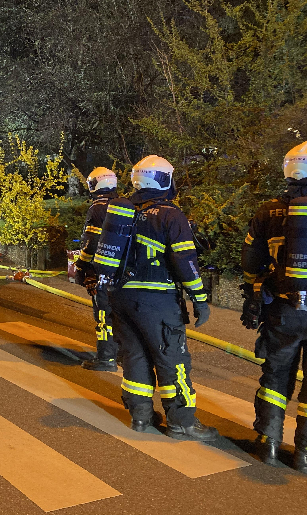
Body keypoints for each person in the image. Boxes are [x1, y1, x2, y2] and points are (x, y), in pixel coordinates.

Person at [95, 155, 218, 441]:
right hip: (157, 301)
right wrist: (199, 299)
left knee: (134, 355)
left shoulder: (123, 211)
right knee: (172, 359)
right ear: (165, 180)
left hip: (121, 298)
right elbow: (185, 262)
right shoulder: (170, 215)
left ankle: (140, 416)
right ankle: (182, 422)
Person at [240, 140, 307, 470]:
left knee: (276, 374)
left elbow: (250, 261)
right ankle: (306, 452)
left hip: (282, 309)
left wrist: (254, 292)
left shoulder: (267, 211)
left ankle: (269, 443)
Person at [74, 167, 121, 371]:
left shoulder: (97, 208)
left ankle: (106, 358)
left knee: (103, 315)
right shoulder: (125, 205)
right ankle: (122, 355)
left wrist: (82, 266)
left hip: (101, 272)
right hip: (123, 273)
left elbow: (91, 242)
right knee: (120, 315)